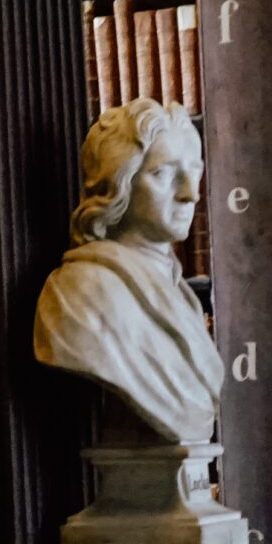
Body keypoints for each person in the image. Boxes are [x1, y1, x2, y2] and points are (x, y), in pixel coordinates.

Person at [32, 99, 222, 445]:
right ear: (119, 183)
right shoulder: (81, 293)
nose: (190, 194)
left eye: (194, 172)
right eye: (163, 174)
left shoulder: (178, 290)